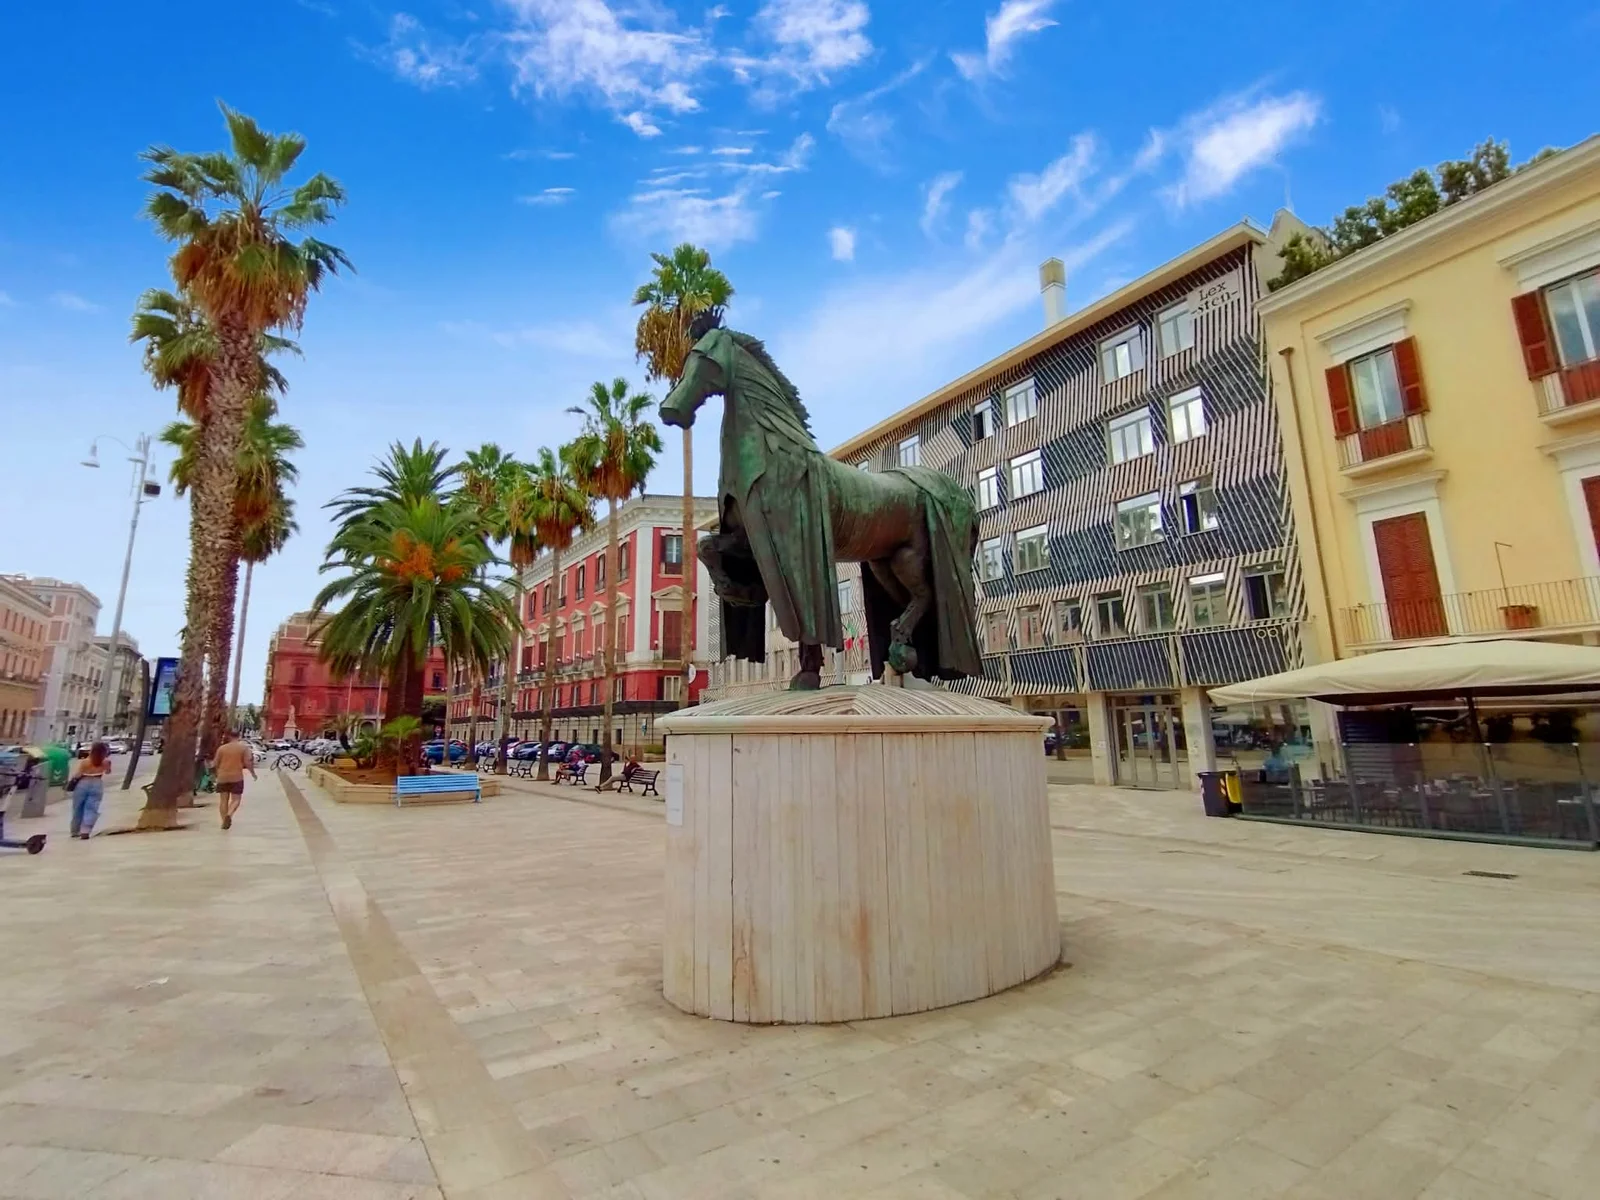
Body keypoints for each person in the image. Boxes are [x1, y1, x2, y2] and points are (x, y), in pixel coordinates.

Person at [210, 730, 257, 831]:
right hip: (236, 777)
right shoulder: (244, 748)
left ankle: (224, 821)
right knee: (236, 800)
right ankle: (229, 815)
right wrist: (253, 773)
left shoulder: (221, 748)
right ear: (238, 736)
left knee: (223, 801)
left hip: (222, 777)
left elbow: (214, 764)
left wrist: (215, 775)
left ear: (229, 736)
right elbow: (248, 762)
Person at [69, 741, 115, 839]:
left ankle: (75, 830)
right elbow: (108, 772)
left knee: (78, 807)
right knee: (92, 807)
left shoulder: (85, 761)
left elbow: (79, 774)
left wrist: (72, 781)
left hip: (83, 783)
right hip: (97, 783)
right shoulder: (105, 761)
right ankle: (85, 830)